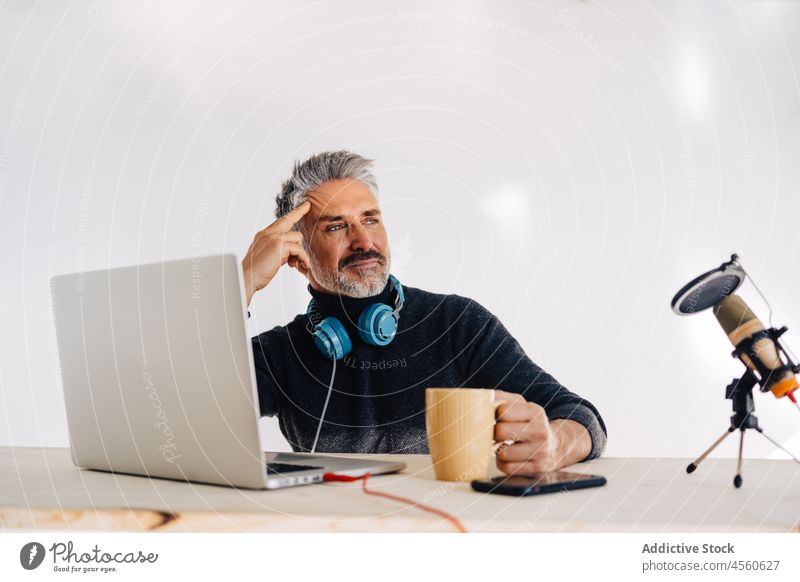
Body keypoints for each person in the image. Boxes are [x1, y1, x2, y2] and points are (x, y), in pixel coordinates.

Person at [243, 150, 606, 475]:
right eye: (336, 226)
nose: (364, 242)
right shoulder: (281, 353)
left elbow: (580, 417)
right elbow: (189, 416)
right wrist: (242, 282)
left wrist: (555, 445)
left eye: (370, 219)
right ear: (296, 256)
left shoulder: (456, 323)